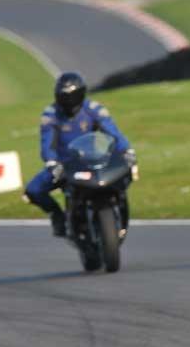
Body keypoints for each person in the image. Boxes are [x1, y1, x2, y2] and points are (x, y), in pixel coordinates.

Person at [25, 72, 136, 237]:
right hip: (63, 164)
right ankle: (57, 215)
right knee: (33, 190)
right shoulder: (51, 115)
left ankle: (119, 210)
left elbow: (113, 132)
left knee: (122, 175)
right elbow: (47, 144)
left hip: (92, 159)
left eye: (73, 95)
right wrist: (52, 162)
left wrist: (127, 151)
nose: (69, 101)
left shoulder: (94, 109)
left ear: (81, 94)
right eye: (64, 96)